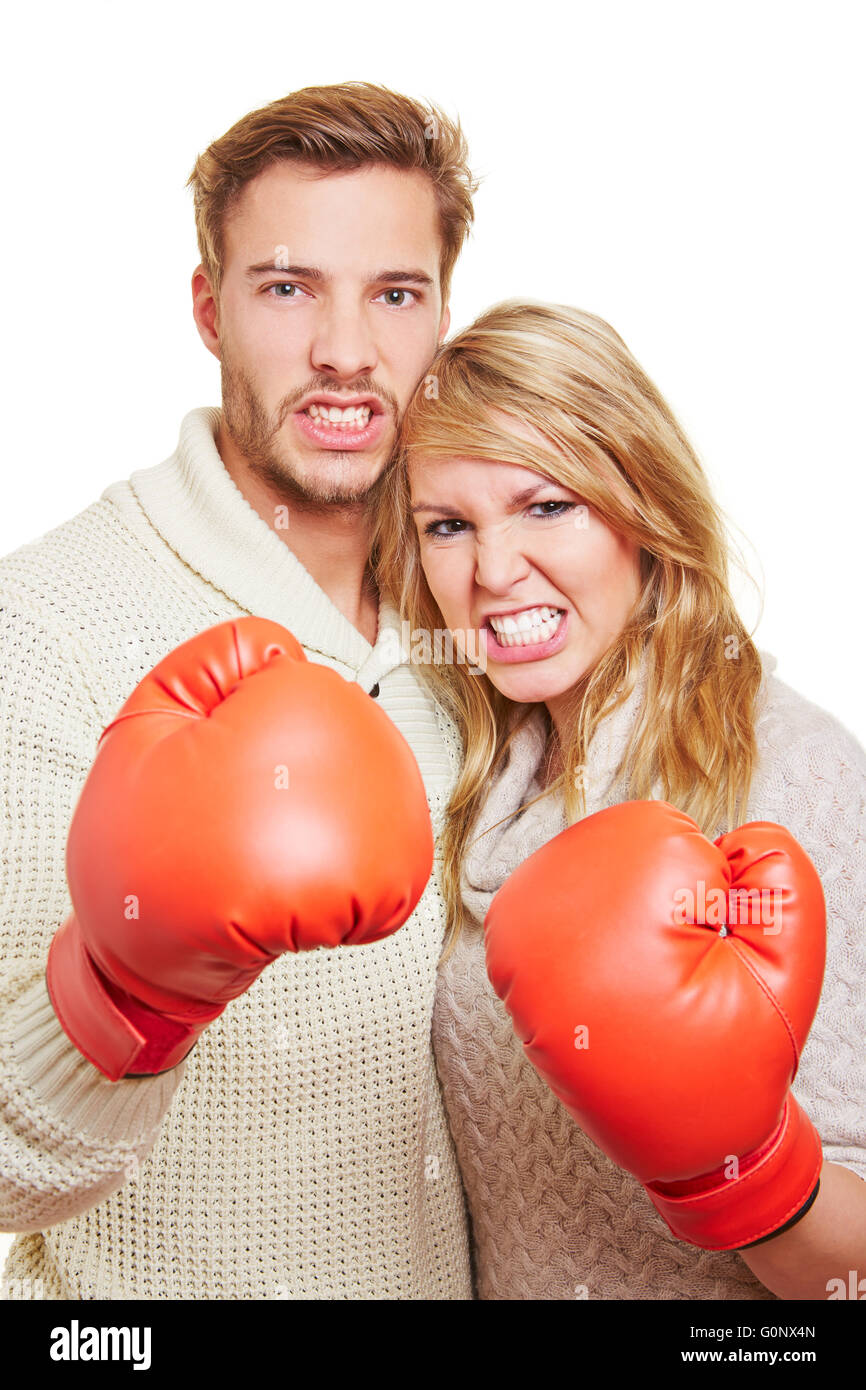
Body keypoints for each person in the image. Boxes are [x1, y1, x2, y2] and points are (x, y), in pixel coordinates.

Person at [0, 81, 480, 1300]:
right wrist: (125, 989)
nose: (345, 351)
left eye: (393, 293)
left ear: (439, 315)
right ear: (209, 310)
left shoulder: (478, 602)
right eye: (286, 287)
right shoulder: (47, 622)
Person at [373, 298, 866, 1300]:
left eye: (545, 506)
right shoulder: (475, 780)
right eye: (448, 526)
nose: (494, 569)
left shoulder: (790, 774)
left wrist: (743, 1161)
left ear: (641, 503)